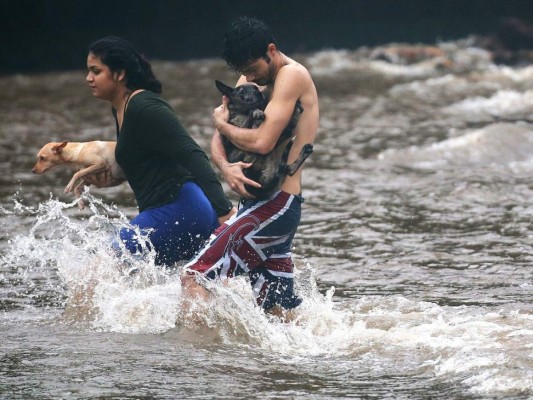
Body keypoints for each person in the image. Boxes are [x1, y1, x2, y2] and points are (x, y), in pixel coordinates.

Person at [182, 17, 319, 316]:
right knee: (276, 315)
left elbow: (262, 142)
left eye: (253, 70)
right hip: (258, 206)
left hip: (276, 205)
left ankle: (196, 362)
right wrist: (224, 166)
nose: (250, 79)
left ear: (270, 51)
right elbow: (221, 137)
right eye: (243, 73)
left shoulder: (292, 75)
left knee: (194, 276)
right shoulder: (249, 79)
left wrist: (219, 121)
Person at [85, 36, 235, 266]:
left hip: (182, 209)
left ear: (119, 73)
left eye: (96, 71)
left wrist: (224, 212)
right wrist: (112, 179)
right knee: (182, 290)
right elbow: (150, 161)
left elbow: (192, 154)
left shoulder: (144, 106)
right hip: (174, 212)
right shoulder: (121, 109)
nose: (89, 78)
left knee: (99, 264)